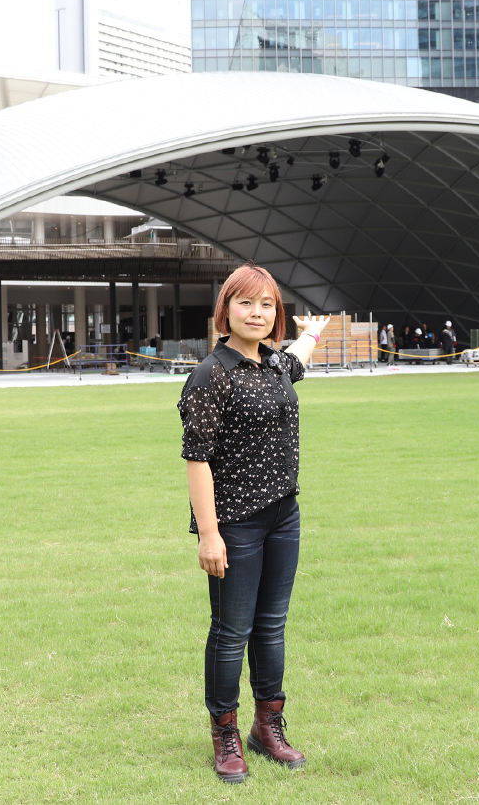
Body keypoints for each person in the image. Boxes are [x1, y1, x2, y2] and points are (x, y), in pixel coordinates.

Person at [178, 264, 330, 784]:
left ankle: (269, 725)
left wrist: (314, 331)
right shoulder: (211, 373)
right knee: (231, 631)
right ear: (226, 311)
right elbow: (197, 459)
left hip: (284, 517)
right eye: (246, 303)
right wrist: (211, 533)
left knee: (271, 626)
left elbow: (298, 361)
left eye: (267, 304)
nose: (257, 313)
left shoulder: (275, 365)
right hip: (235, 526)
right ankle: (225, 733)